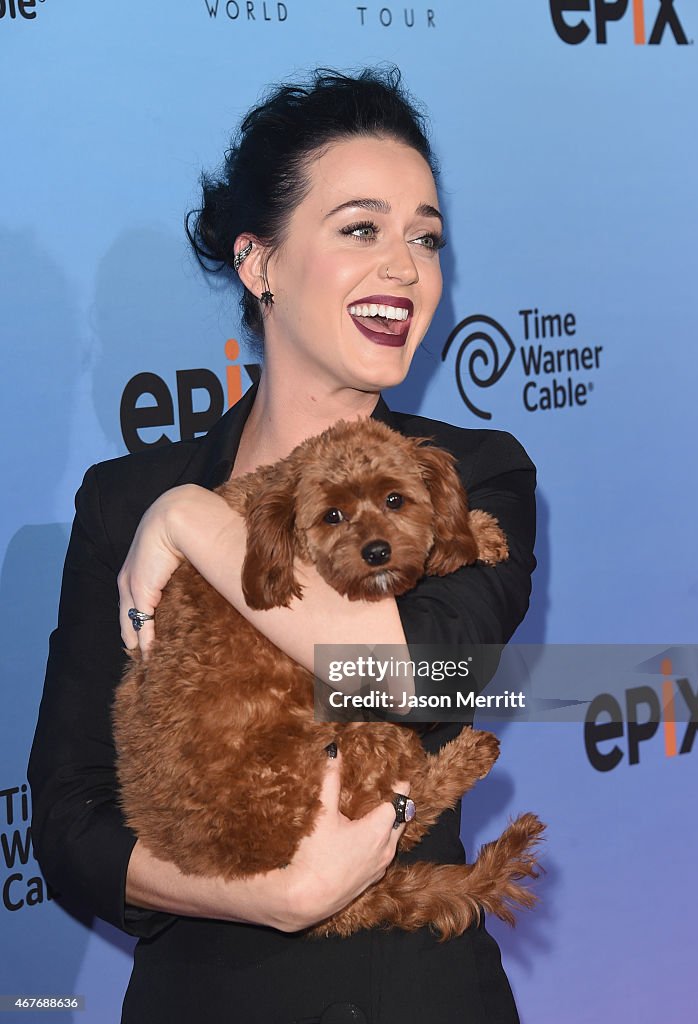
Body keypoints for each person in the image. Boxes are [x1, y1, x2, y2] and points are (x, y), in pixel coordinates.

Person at [28, 67, 537, 1023]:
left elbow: (417, 675)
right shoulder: (118, 500)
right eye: (361, 229)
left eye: (426, 237)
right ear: (258, 263)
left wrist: (193, 520)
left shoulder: (466, 474)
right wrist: (264, 897)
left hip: (417, 997)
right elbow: (68, 818)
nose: (406, 267)